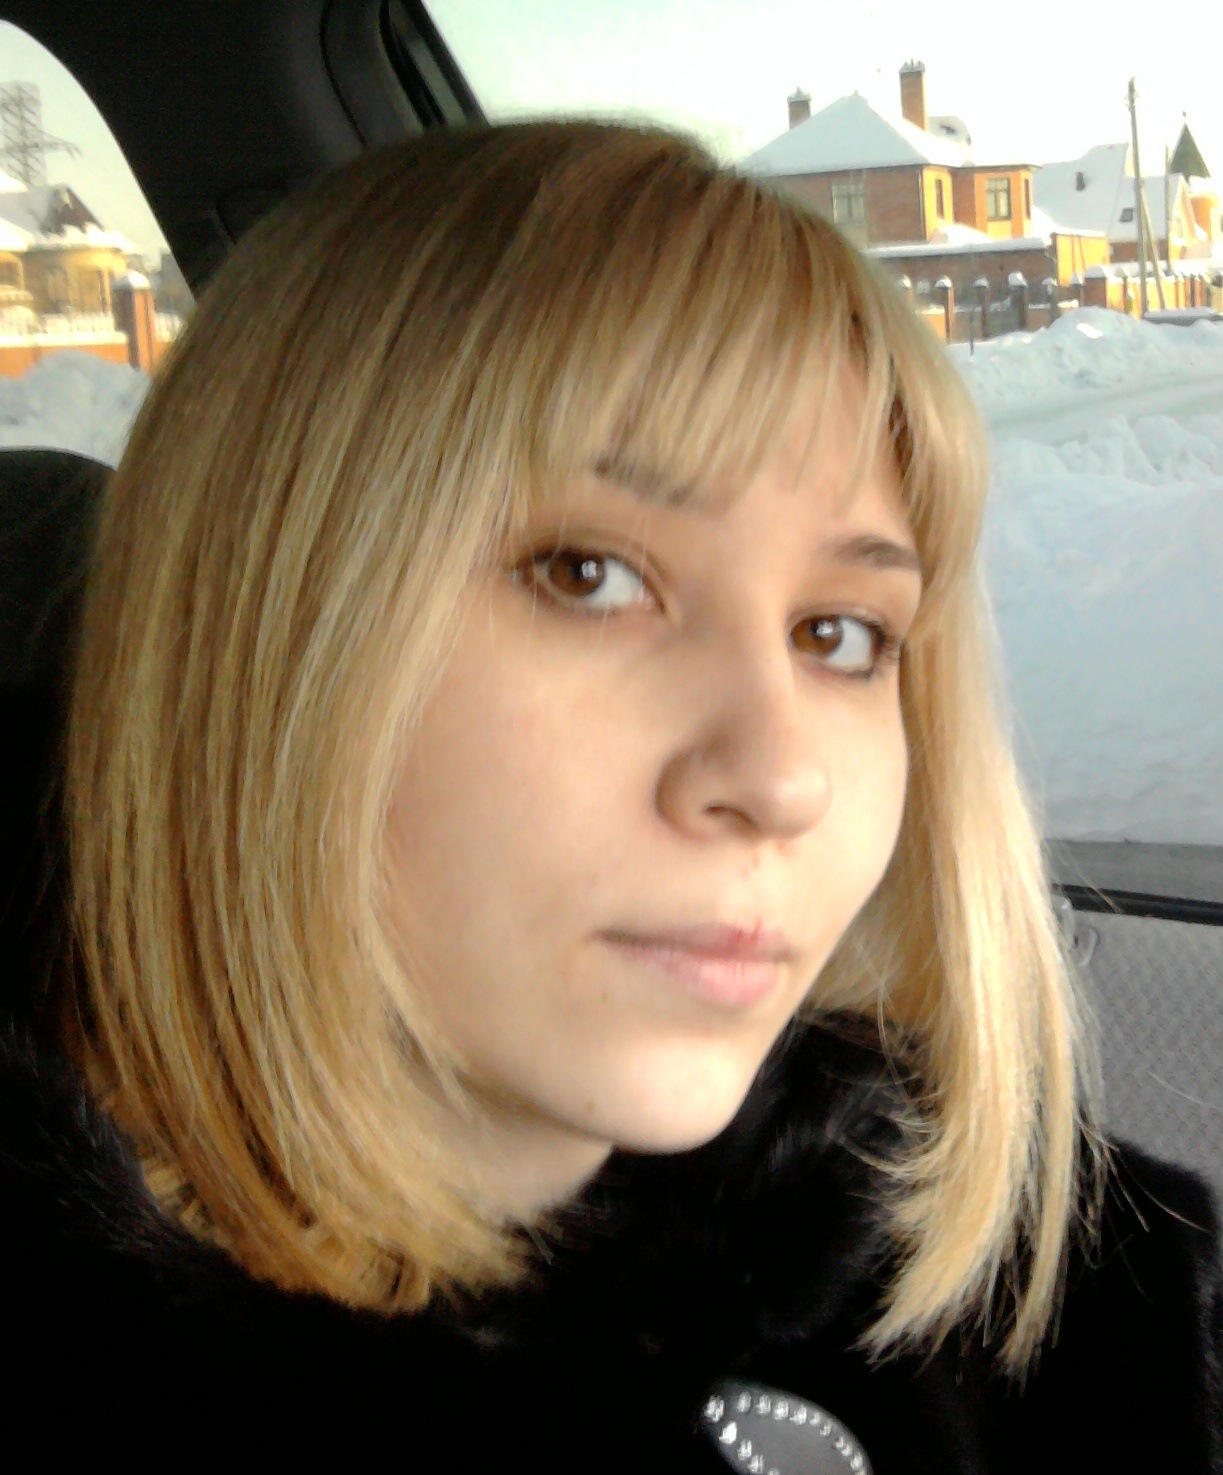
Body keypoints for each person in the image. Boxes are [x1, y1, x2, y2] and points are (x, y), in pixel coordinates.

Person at [0, 121, 1218, 1466]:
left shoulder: (1076, 1327)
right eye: (589, 575)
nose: (781, 777)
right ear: (251, 623)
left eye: (841, 635)